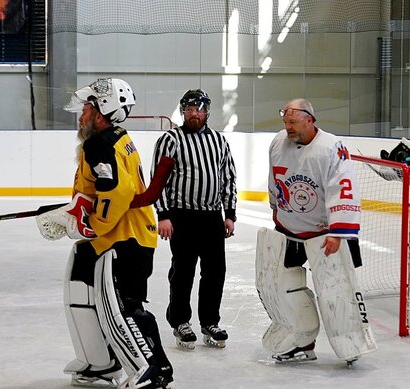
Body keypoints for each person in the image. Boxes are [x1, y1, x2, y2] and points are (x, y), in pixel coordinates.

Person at [35, 78, 175, 389]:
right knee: (79, 285)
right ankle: (99, 362)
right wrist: (75, 211)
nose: (81, 115)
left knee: (123, 305)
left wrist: (90, 224)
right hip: (110, 237)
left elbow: (117, 192)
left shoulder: (100, 144)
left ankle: (154, 371)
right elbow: (101, 190)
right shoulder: (110, 138)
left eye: (86, 109)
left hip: (125, 238)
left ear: (101, 113)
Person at [256, 98, 377, 365]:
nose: (288, 127)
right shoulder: (278, 142)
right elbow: (275, 178)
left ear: (309, 120)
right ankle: (302, 342)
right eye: (285, 122)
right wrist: (275, 206)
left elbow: (343, 188)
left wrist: (338, 232)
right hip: (289, 230)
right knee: (281, 287)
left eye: (293, 122)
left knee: (336, 290)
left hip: (325, 234)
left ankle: (351, 342)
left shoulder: (332, 147)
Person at [152, 89, 237, 350]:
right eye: (189, 109)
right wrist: (163, 215)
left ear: (206, 112)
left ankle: (210, 321)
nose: (194, 114)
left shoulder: (219, 141)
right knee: (183, 271)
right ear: (183, 112)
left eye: (199, 109)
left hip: (212, 217)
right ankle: (180, 321)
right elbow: (159, 180)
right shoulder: (171, 139)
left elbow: (228, 178)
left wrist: (229, 214)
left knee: (215, 272)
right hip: (182, 216)